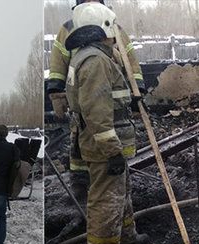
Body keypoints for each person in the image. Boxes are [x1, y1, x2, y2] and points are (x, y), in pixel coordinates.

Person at [64, 2, 149, 244]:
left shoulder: (90, 56)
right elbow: (97, 113)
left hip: (107, 143)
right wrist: (112, 150)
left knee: (120, 192)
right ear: (103, 28)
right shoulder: (96, 61)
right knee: (105, 197)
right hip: (104, 146)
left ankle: (125, 234)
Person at [46, 0, 146, 205]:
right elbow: (58, 63)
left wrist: (137, 95)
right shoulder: (71, 33)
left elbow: (131, 61)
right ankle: (85, 199)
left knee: (106, 161)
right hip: (90, 101)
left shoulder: (113, 28)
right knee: (86, 154)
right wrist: (57, 93)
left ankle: (108, 208)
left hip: (110, 103)